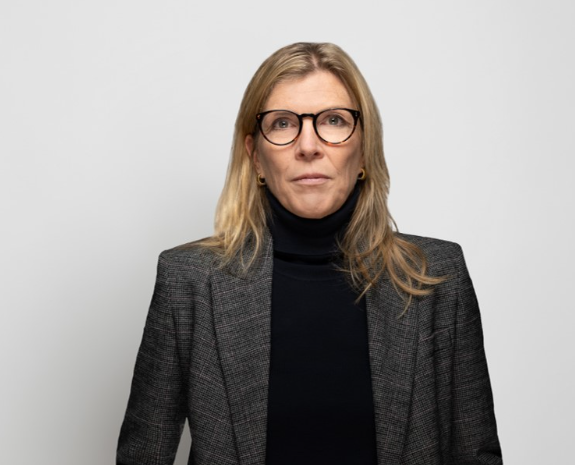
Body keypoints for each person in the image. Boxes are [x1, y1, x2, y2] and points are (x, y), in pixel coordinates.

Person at [117, 42, 502, 465]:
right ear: (255, 157)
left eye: (334, 121)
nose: (308, 145)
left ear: (364, 149)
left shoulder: (438, 277)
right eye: (282, 123)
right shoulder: (188, 281)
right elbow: (143, 455)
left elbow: (476, 454)